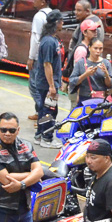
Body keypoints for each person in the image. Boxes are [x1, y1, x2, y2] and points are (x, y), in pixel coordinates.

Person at [30, 10, 64, 145]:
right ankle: (47, 137)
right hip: (47, 84)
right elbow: (47, 64)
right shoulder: (49, 42)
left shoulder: (51, 39)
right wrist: (52, 85)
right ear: (56, 23)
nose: (63, 23)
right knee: (50, 112)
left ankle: (39, 134)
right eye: (61, 21)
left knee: (44, 111)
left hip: (48, 82)